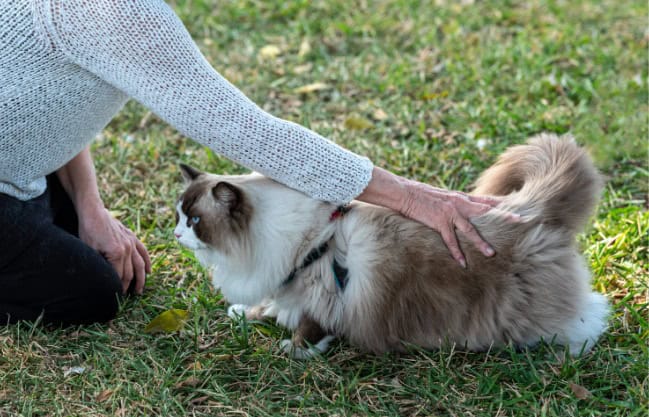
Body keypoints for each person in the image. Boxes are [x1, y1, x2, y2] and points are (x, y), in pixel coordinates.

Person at [0, 0, 514, 325]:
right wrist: (413, 196)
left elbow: (56, 101)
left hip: (21, 170)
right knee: (91, 293)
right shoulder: (113, 11)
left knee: (95, 262)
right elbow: (250, 134)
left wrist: (89, 206)